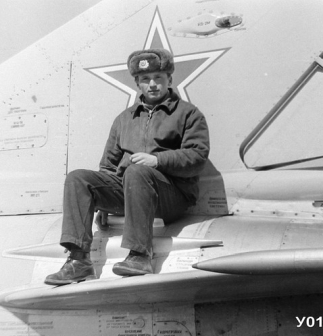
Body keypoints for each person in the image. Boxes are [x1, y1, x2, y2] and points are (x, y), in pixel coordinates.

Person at [44, 49, 210, 285]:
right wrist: (102, 204)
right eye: (145, 79)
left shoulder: (188, 114)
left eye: (158, 78)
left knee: (137, 170)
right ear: (137, 83)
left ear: (170, 80)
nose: (152, 84)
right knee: (78, 178)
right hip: (130, 190)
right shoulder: (124, 119)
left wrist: (159, 161)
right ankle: (78, 261)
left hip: (172, 195)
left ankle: (140, 255)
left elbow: (197, 156)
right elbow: (109, 166)